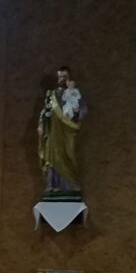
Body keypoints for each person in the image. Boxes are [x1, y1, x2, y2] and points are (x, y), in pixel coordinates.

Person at [37, 66, 86, 198]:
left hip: (68, 131)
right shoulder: (51, 94)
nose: (62, 79)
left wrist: (78, 114)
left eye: (65, 77)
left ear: (69, 78)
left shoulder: (74, 93)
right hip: (52, 131)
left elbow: (82, 108)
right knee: (52, 156)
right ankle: (52, 185)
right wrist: (41, 124)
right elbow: (45, 111)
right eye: (60, 77)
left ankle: (70, 185)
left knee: (69, 154)